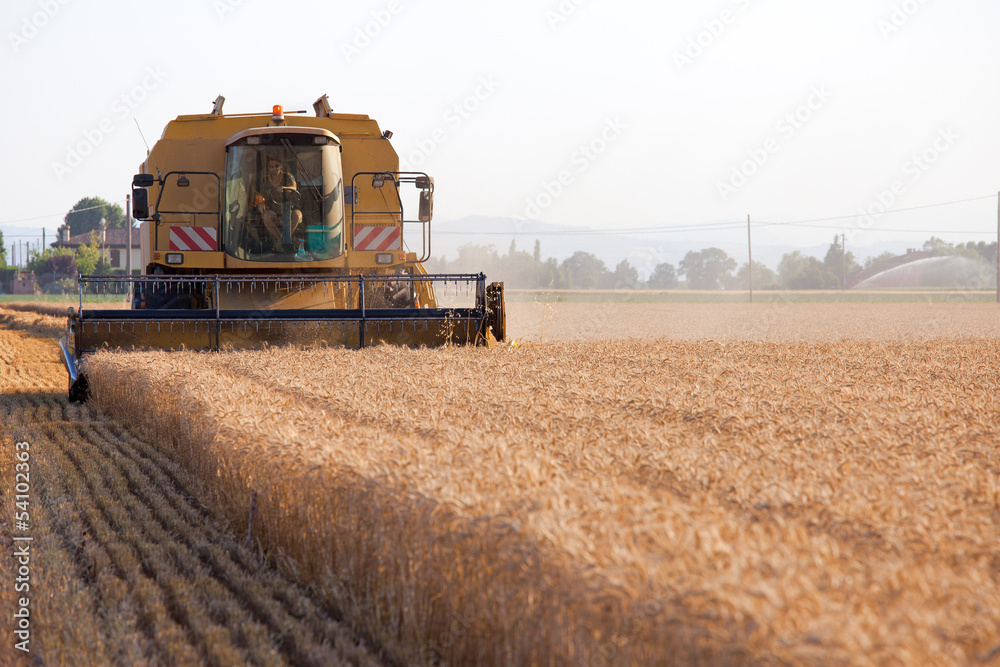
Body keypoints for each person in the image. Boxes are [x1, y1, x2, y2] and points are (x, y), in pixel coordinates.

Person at [250, 156, 302, 250]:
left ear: (281, 165)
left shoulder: (288, 176)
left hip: (289, 209)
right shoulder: (264, 180)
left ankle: (284, 238)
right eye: (271, 166)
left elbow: (294, 188)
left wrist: (285, 188)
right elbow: (258, 196)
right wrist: (260, 203)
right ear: (268, 168)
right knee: (266, 216)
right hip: (273, 210)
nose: (274, 168)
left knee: (297, 215)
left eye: (277, 166)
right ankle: (282, 239)